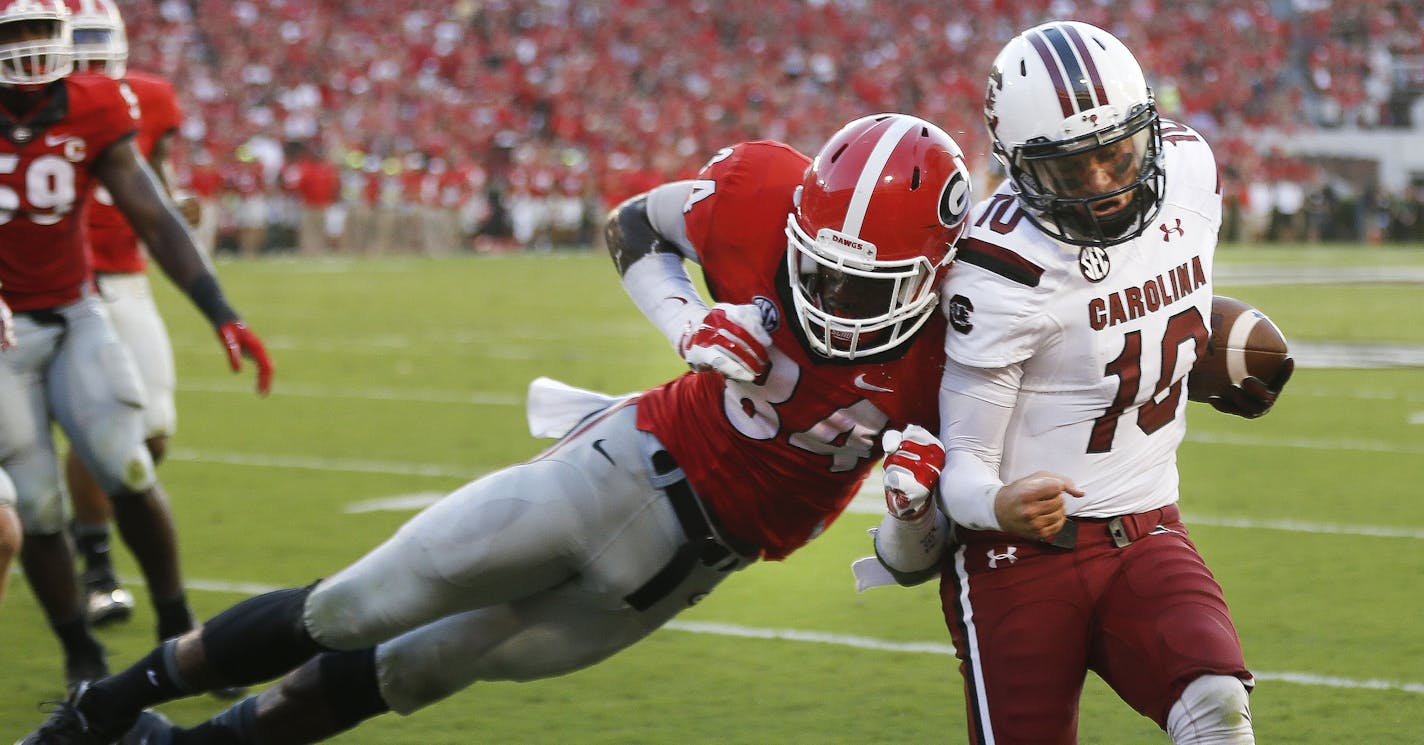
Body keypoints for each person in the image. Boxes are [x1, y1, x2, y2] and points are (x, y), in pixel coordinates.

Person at [19, 112, 974, 744]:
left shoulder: (963, 349)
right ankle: (100, 709)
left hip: (687, 567)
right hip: (624, 464)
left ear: (935, 272)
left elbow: (909, 555)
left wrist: (910, 504)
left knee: (419, 669)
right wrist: (687, 323)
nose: (834, 294)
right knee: (354, 605)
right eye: (818, 264)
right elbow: (634, 227)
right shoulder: (766, 197)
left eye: (869, 283)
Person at [869, 20, 1293, 745]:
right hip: (1017, 561)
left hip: (1148, 522)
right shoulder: (999, 267)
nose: (1103, 182)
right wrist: (1000, 502)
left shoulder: (1192, 170)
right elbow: (966, 462)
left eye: (1118, 153)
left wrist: (1193, 357)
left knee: (1218, 703)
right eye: (1072, 170)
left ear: (1148, 130)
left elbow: (1154, 309)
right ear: (1019, 168)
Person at [0, 0, 272, 692]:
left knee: (127, 464)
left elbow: (149, 209)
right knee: (35, 505)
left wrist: (220, 309)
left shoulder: (92, 102)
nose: (30, 47)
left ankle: (178, 628)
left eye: (41, 30)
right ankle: (79, 650)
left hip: (73, 310)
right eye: (14, 33)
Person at [60, 0, 202, 629]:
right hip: (70, 284)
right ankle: (96, 564)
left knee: (155, 431)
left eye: (98, 39)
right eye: (78, 40)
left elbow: (155, 173)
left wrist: (177, 203)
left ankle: (84, 523)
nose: (89, 53)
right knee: (100, 430)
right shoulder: (38, 104)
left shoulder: (150, 97)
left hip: (130, 278)